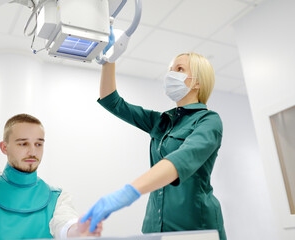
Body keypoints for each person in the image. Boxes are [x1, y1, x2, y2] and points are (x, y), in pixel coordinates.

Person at [81, 53, 226, 240]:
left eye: (179, 69)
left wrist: (129, 192)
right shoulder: (162, 121)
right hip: (154, 227)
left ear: (198, 82)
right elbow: (112, 101)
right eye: (170, 70)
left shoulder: (208, 121)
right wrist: (110, 60)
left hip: (195, 228)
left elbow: (181, 159)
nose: (171, 75)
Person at [0, 113, 102, 240]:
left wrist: (77, 230)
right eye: (23, 143)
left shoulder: (59, 198)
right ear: (4, 147)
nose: (33, 152)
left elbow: (65, 223)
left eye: (38, 144)